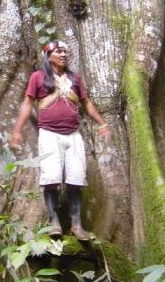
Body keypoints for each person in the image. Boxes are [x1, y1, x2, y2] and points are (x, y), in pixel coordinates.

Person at [9, 39, 111, 241]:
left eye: (65, 52)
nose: (63, 55)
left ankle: (76, 225)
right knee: (51, 179)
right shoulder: (38, 77)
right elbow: (27, 104)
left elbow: (86, 103)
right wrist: (17, 131)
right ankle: (54, 222)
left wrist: (103, 124)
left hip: (73, 135)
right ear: (48, 56)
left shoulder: (75, 78)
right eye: (58, 52)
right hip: (49, 134)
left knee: (76, 179)